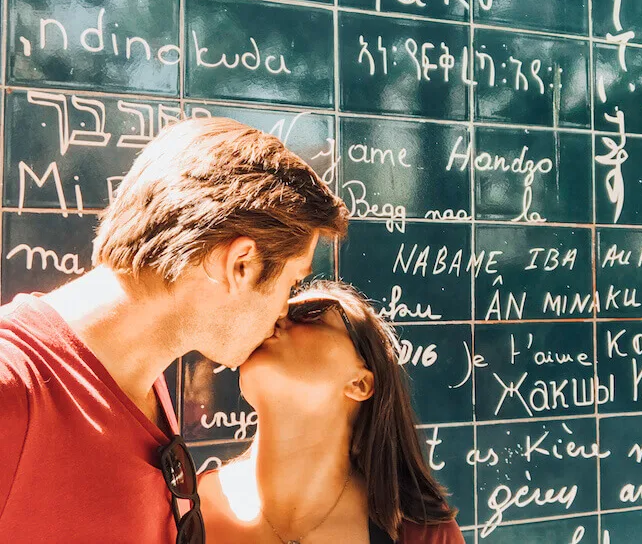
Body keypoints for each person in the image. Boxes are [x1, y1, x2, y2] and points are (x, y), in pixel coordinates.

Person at [0, 118, 348, 543]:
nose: (284, 311)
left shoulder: (142, 380)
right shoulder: (13, 389)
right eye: (291, 282)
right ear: (241, 265)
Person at [198, 280, 465, 544]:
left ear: (360, 383)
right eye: (275, 310)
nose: (276, 319)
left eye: (311, 315)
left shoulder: (422, 532)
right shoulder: (183, 506)